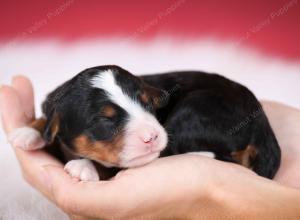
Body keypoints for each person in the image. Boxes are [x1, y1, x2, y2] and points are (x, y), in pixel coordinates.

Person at [1, 75, 300, 220]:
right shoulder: (60, 113)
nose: (150, 132)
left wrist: (212, 190)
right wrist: (38, 128)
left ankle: (222, 157)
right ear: (58, 129)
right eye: (108, 123)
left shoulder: (95, 107)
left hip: (223, 108)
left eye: (145, 106)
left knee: (178, 122)